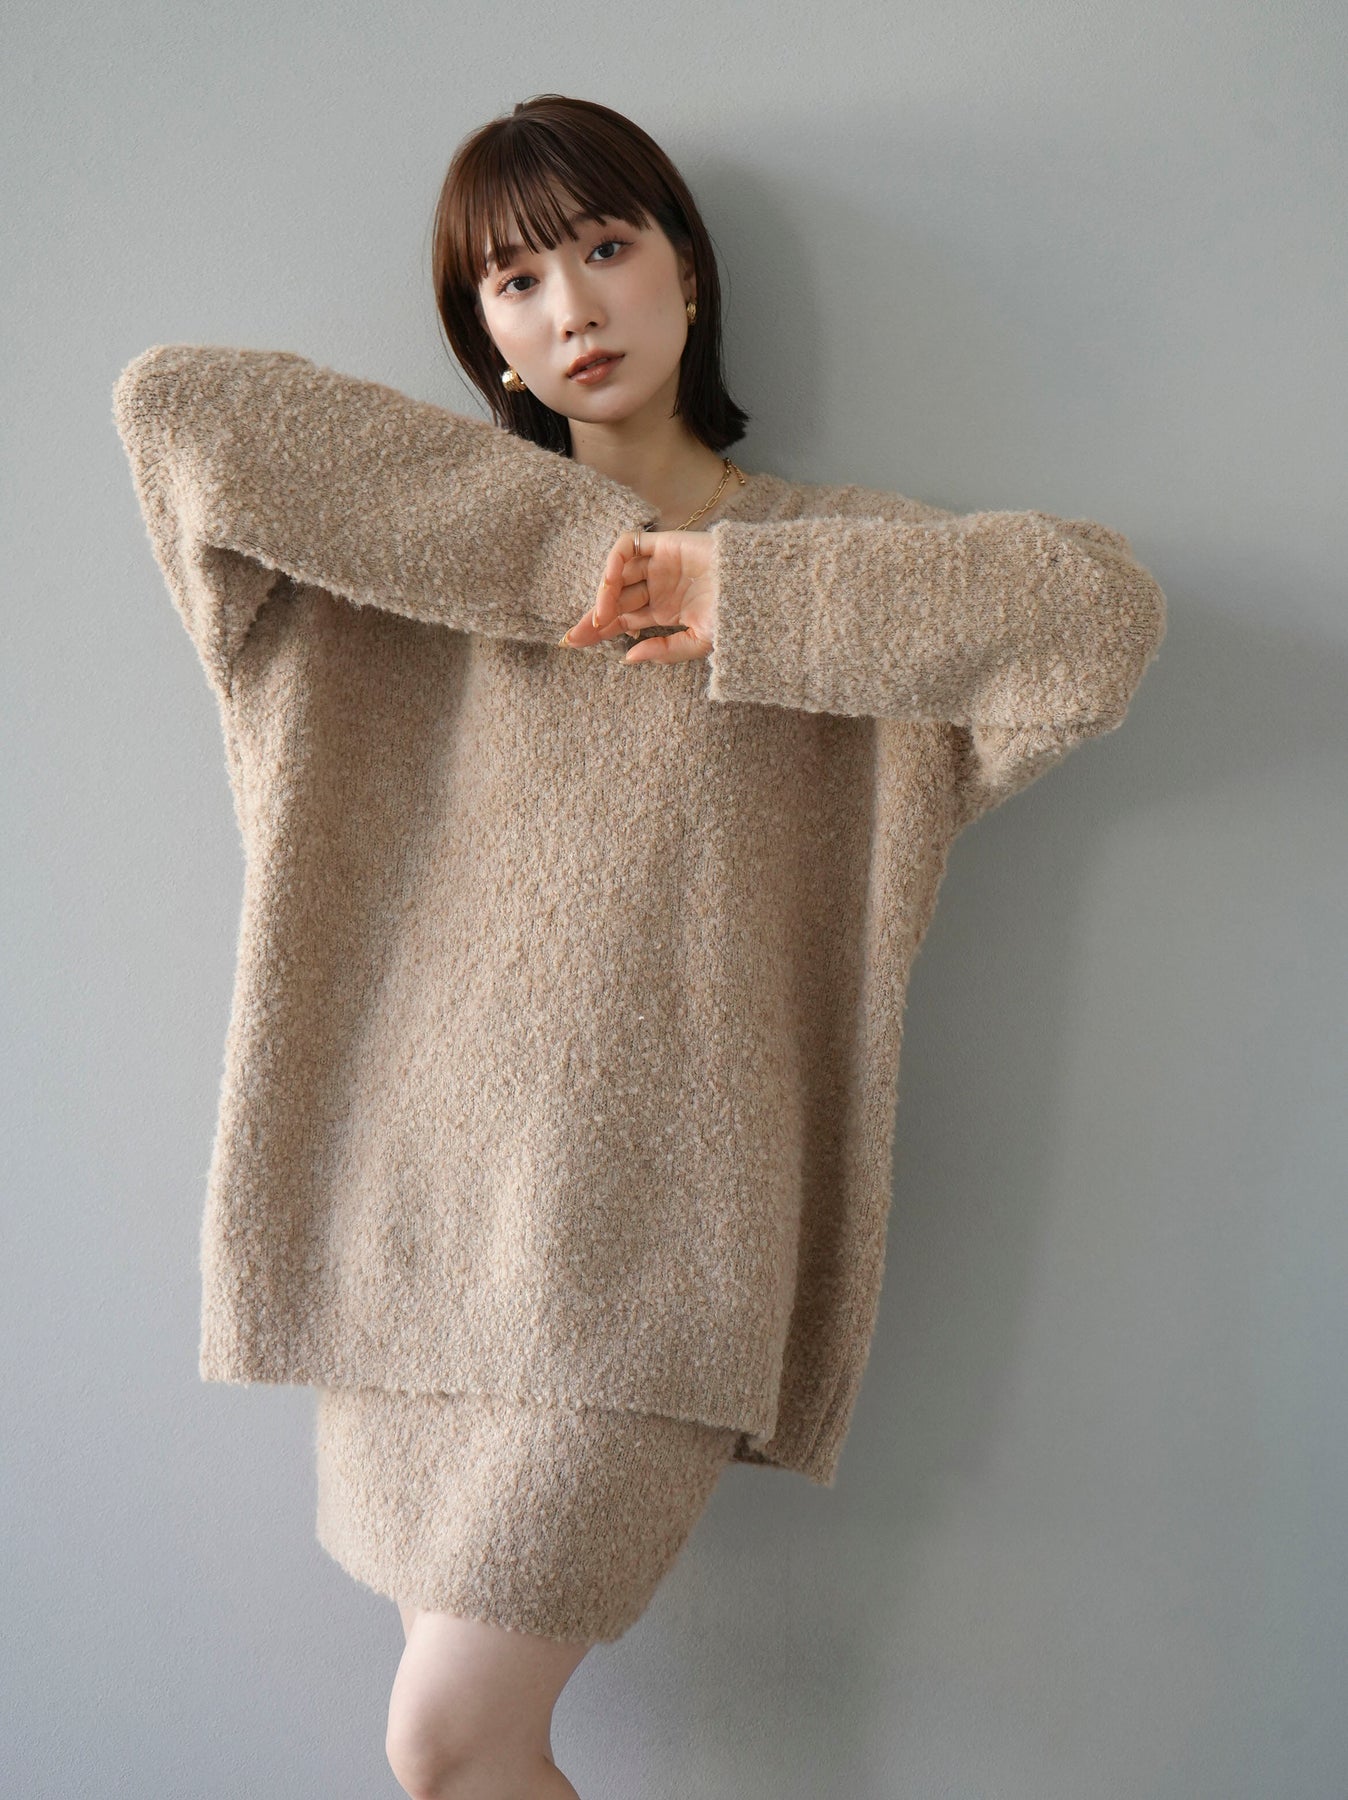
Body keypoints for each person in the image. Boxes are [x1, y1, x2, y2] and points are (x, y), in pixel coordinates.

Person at [112, 92, 1165, 1800]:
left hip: (663, 1264)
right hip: (410, 1242)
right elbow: (179, 410)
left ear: (689, 271)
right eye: (515, 281)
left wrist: (730, 595)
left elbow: (1097, 618)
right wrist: (587, 564)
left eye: (606, 248)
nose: (572, 307)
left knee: (447, 1742)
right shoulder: (393, 578)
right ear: (484, 333)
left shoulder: (837, 575)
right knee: (457, 1757)